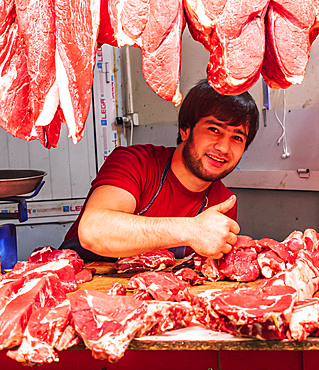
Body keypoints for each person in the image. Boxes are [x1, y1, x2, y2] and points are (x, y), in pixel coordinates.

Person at [60, 79, 260, 261]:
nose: (223, 147)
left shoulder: (223, 203)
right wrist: (191, 230)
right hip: (78, 290)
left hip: (152, 296)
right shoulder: (135, 162)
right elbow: (94, 230)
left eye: (237, 138)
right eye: (214, 129)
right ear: (185, 130)